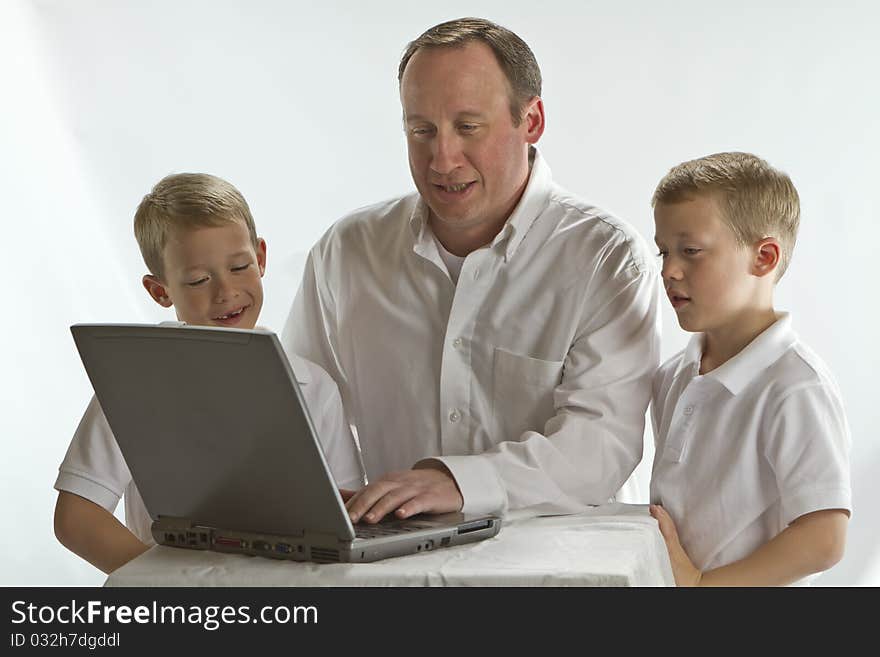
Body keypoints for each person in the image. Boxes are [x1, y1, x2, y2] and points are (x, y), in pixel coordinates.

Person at [284, 17, 661, 524]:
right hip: (384, 567)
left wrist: (458, 483)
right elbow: (298, 413)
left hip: (555, 570)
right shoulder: (347, 251)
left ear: (531, 121)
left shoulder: (606, 257)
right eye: (422, 130)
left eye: (468, 127)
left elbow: (600, 447)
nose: (442, 159)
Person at [54, 173, 364, 574]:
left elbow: (348, 518)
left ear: (262, 257)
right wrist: (169, 591)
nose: (226, 292)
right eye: (199, 280)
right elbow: (77, 518)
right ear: (160, 292)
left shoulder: (314, 388)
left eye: (239, 267)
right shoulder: (135, 383)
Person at [648, 152, 851, 586]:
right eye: (663, 251)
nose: (669, 270)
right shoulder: (672, 377)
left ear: (764, 258)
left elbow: (824, 538)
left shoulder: (795, 387)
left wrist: (703, 587)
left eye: (691, 251)